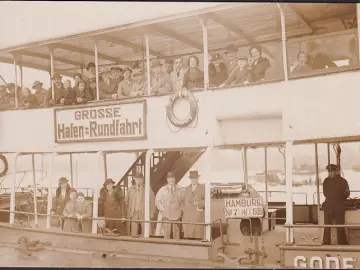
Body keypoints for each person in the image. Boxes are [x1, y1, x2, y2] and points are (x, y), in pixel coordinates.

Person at [322, 164, 350, 245]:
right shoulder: (326, 181)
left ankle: (341, 243)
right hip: (332, 205)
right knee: (327, 226)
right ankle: (326, 243)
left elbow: (347, 193)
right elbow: (325, 193)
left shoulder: (342, 181)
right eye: (329, 172)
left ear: (336, 172)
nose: (330, 173)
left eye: (331, 171)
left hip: (337, 205)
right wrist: (340, 198)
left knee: (340, 226)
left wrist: (339, 199)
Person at [126, 172, 156, 237]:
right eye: (137, 179)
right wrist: (128, 212)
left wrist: (152, 212)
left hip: (144, 212)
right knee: (133, 232)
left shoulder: (147, 188)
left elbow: (152, 201)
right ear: (134, 180)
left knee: (146, 231)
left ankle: (146, 243)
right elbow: (126, 202)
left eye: (140, 179)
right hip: (134, 212)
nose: (138, 181)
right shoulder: (130, 189)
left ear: (143, 180)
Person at [155, 172, 184, 239]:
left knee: (176, 237)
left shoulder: (180, 190)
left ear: (175, 179)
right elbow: (157, 202)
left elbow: (183, 202)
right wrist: (163, 210)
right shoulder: (162, 190)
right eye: (170, 178)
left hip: (177, 217)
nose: (172, 180)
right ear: (167, 179)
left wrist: (180, 211)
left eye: (173, 178)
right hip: (166, 216)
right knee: (166, 236)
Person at [182, 171, 205, 240]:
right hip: (187, 217)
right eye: (192, 178)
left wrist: (199, 204)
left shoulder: (202, 188)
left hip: (197, 216)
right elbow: (182, 201)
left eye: (195, 178)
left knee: (197, 236)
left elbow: (207, 201)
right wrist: (184, 209)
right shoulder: (186, 189)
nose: (193, 180)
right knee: (188, 237)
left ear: (198, 179)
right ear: (190, 179)